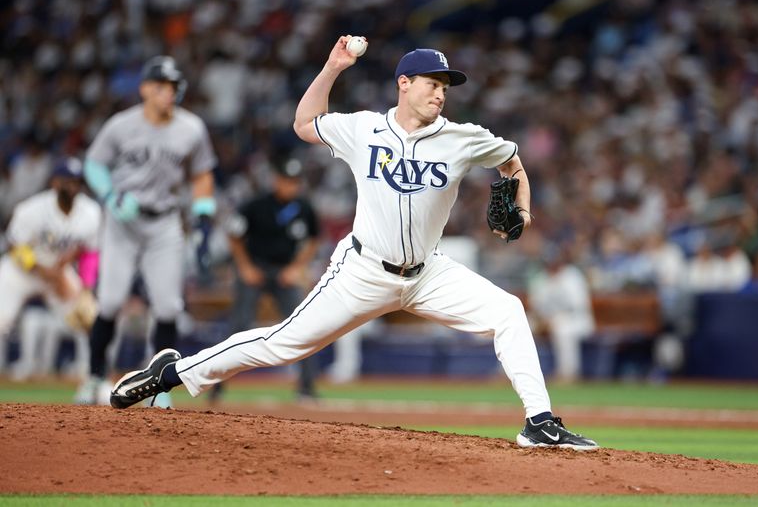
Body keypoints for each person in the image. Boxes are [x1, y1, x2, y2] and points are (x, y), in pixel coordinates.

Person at [109, 38, 597, 450]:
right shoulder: (364, 128)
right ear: (404, 84)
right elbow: (304, 124)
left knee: (507, 310)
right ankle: (172, 373)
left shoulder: (463, 138)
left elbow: (512, 161)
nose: (440, 94)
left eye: (445, 86)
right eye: (432, 83)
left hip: (428, 273)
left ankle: (540, 422)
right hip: (362, 270)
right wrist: (332, 68)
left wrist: (525, 208)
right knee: (283, 344)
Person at [76, 55, 217, 406]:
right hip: (122, 222)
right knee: (109, 301)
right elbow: (94, 164)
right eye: (160, 86)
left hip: (165, 221)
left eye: (172, 87)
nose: (168, 93)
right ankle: (94, 377)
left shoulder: (191, 128)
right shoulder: (121, 126)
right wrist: (110, 195)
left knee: (168, 306)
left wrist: (202, 218)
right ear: (144, 89)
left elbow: (202, 174)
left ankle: (160, 390)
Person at [211, 156, 321, 402]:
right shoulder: (256, 205)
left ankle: (306, 389)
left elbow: (314, 239)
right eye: (287, 180)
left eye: (295, 181)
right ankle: (216, 387)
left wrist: (296, 268)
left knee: (303, 327)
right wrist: (245, 267)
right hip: (256, 270)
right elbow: (233, 234)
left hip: (284, 273)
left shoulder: (304, 207)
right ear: (276, 180)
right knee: (238, 327)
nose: (291, 186)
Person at [0, 158, 101, 378]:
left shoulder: (91, 212)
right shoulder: (32, 209)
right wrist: (42, 270)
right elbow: (15, 246)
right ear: (55, 183)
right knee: (1, 317)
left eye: (76, 182)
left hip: (59, 271)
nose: (72, 187)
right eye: (67, 181)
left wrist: (85, 287)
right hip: (23, 271)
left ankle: (91, 373)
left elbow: (89, 253)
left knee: (86, 315)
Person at [528, 246, 595, 382]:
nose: (551, 265)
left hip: (577, 321)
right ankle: (508, 371)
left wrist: (552, 319)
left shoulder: (572, 276)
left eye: (554, 261)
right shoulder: (541, 278)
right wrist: (543, 319)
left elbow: (578, 306)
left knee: (562, 329)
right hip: (547, 321)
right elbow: (535, 306)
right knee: (521, 324)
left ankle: (568, 373)